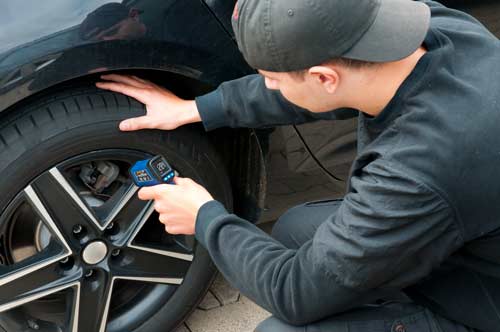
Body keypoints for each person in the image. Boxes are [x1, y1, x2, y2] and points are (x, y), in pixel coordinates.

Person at [96, 0, 500, 331]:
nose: (269, 86)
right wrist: (196, 108)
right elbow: (307, 87)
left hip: (477, 302)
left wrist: (204, 217)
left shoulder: (416, 169)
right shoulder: (429, 28)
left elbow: (292, 293)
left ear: (325, 78)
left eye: (272, 78)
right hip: (459, 236)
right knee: (292, 230)